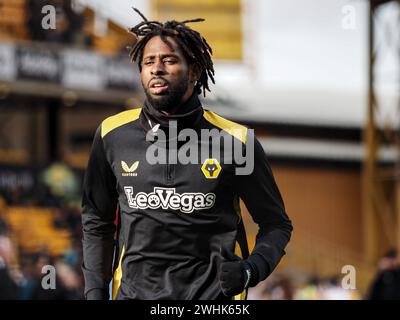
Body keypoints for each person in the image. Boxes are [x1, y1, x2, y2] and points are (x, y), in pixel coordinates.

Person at [81, 8, 293, 300]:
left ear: (194, 71)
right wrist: (94, 291)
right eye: (149, 62)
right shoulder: (112, 134)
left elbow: (276, 224)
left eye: (169, 60)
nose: (156, 69)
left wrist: (250, 270)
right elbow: (96, 220)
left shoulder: (236, 142)